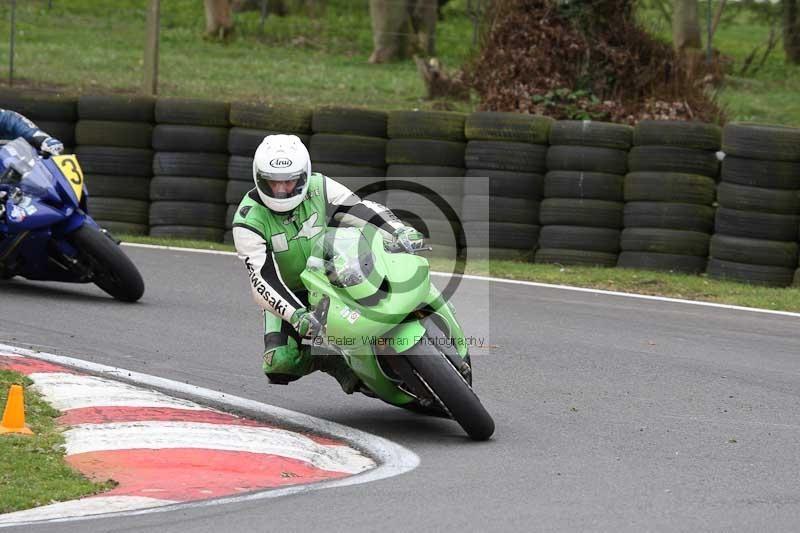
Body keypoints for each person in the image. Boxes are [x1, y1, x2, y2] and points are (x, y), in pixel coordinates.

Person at [232, 134, 423, 393]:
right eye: (272, 182)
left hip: (337, 269)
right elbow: (262, 278)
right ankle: (330, 359)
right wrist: (295, 314)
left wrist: (397, 230)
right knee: (278, 364)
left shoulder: (319, 186)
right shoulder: (247, 220)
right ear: (259, 178)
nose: (281, 190)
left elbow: (358, 209)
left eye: (289, 181)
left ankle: (421, 312)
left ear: (303, 175)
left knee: (393, 267)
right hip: (291, 294)